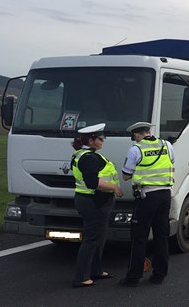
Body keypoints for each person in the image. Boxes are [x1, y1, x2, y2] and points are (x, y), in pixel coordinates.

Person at [119, 122, 174, 287]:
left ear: (136, 135)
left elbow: (126, 176)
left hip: (147, 196)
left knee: (139, 237)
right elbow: (170, 163)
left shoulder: (136, 149)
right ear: (149, 132)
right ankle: (159, 275)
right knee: (161, 236)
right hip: (165, 195)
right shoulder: (167, 145)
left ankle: (133, 277)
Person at [71, 123, 123, 288]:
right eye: (101, 138)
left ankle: (96, 270)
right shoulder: (89, 158)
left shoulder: (84, 155)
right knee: (92, 239)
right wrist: (115, 187)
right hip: (93, 201)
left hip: (92, 200)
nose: (103, 141)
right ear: (91, 140)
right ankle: (81, 277)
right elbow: (92, 182)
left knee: (98, 237)